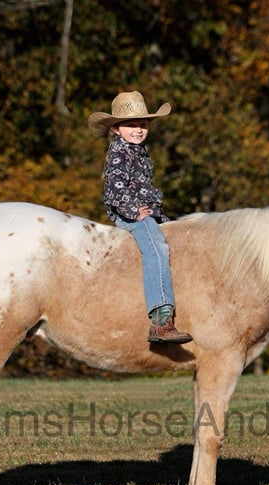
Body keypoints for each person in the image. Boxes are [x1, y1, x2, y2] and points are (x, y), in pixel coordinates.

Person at [88, 91, 192, 344]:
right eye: (131, 125)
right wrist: (134, 211)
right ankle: (161, 321)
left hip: (150, 213)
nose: (138, 130)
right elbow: (113, 190)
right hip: (131, 215)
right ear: (116, 129)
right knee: (156, 247)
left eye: (143, 125)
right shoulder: (119, 153)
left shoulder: (139, 152)